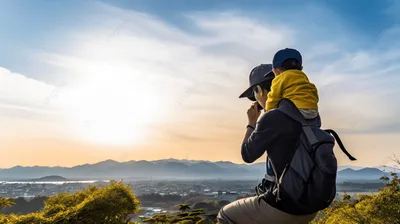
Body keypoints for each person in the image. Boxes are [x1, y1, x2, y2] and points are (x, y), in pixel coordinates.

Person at [217, 63, 318, 224]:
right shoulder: (306, 115)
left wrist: (251, 123)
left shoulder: (272, 118)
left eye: (254, 94)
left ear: (260, 91)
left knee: (225, 215)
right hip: (310, 206)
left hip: (285, 206)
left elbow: (247, 154)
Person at [266, 48, 319, 120]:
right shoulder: (303, 78)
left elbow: (273, 98)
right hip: (313, 111)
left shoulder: (280, 78)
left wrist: (268, 112)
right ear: (301, 68)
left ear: (276, 71)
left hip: (295, 111)